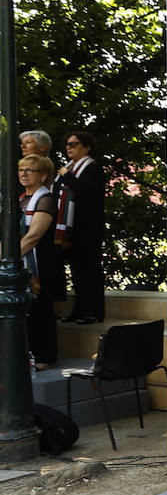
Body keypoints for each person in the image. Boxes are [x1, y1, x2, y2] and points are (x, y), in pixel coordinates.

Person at [54, 129, 105, 323]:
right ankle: (79, 310)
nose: (68, 147)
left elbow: (86, 191)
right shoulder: (70, 168)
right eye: (67, 144)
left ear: (87, 147)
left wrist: (67, 177)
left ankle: (93, 312)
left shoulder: (92, 169)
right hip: (71, 229)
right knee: (76, 272)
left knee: (89, 271)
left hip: (88, 229)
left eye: (73, 144)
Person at [19, 153, 63, 369]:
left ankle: (44, 357)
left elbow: (33, 236)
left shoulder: (45, 199)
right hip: (21, 261)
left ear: (43, 175)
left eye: (30, 170)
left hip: (40, 265)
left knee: (40, 311)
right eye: (21, 170)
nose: (23, 174)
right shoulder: (21, 198)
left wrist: (7, 259)